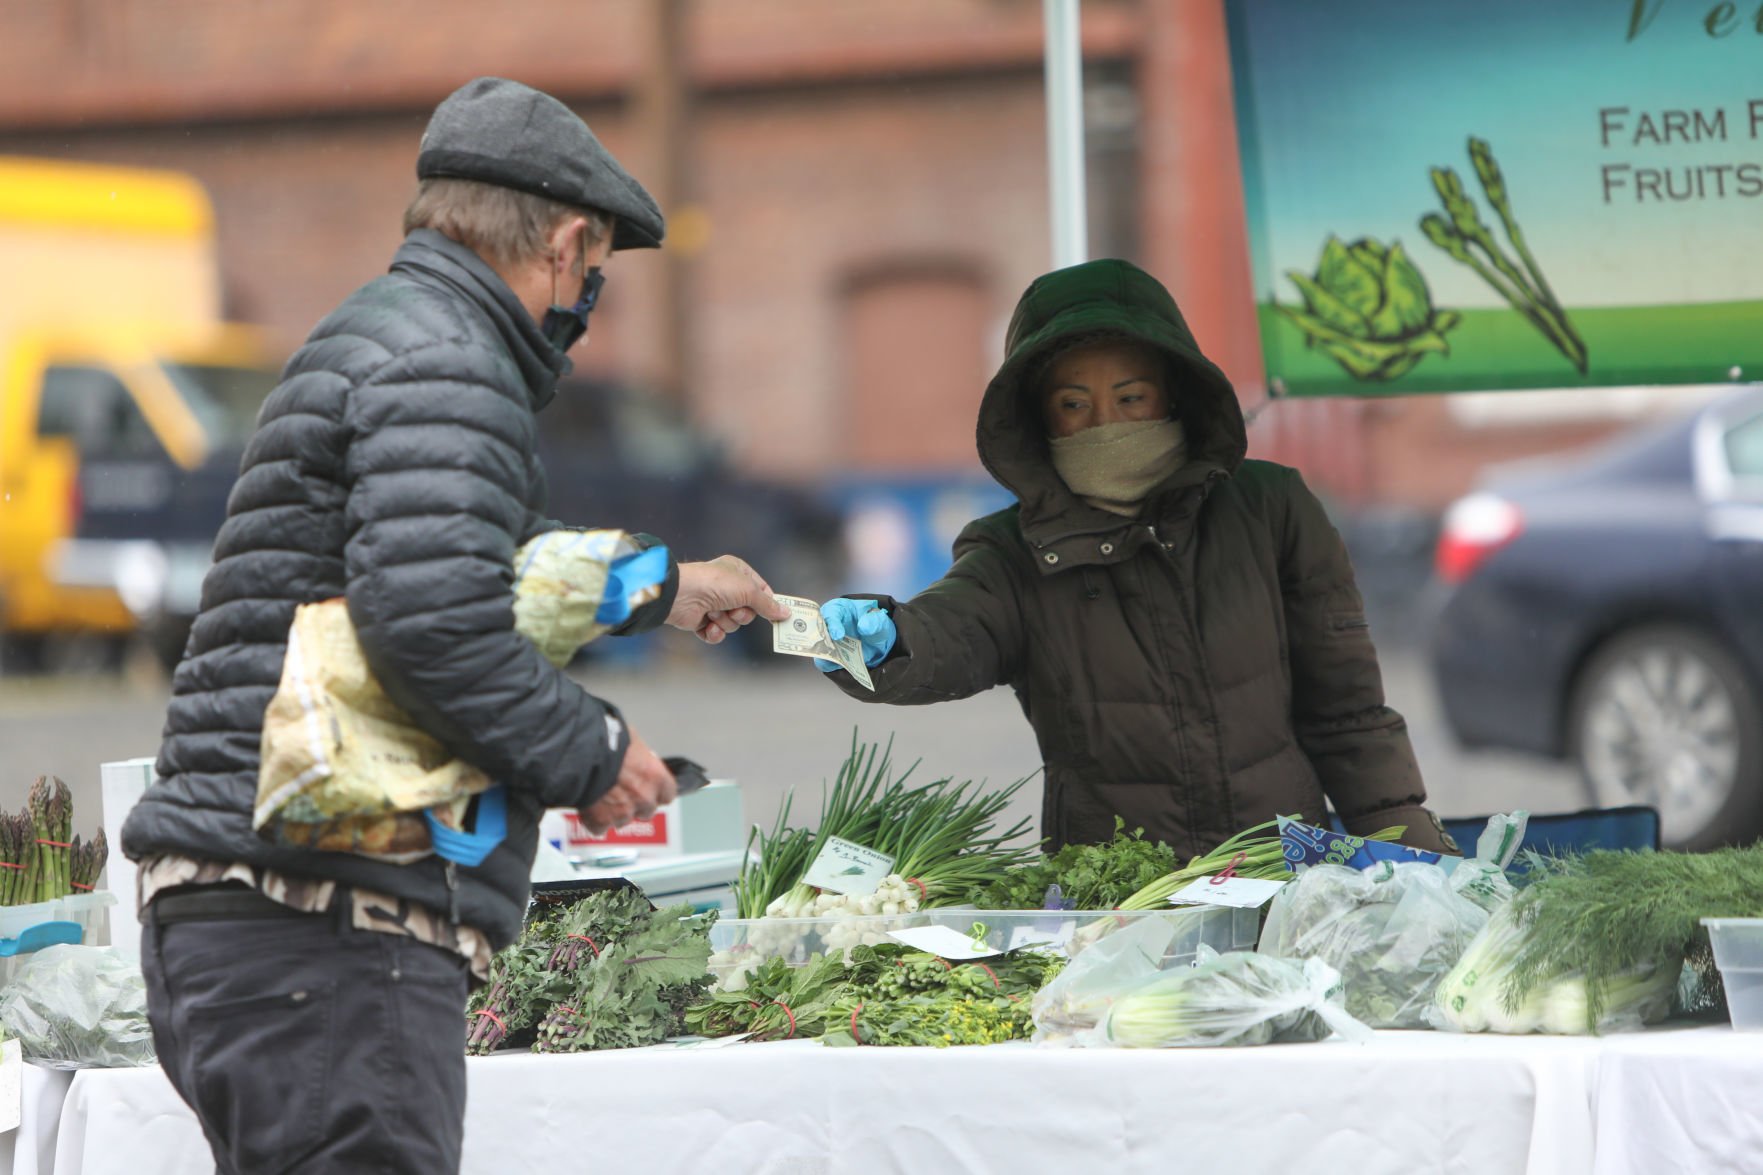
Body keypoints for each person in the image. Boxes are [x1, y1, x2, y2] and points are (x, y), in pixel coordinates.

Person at [120, 77, 787, 1174]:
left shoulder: (378, 335)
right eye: (599, 272)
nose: (587, 304)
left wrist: (673, 583)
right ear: (566, 243)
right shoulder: (449, 360)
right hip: (329, 925)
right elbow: (431, 615)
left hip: (248, 921)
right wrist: (595, 752)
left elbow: (480, 553)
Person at [815, 258, 1458, 860]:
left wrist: (1407, 850)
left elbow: (1346, 708)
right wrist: (885, 640)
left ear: (1174, 396)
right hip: (1119, 902)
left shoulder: (1270, 510)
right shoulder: (1012, 551)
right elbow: (952, 629)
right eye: (1074, 405)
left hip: (1282, 871)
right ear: (1040, 420)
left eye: (1131, 398)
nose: (1106, 425)